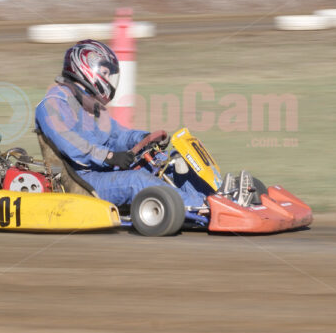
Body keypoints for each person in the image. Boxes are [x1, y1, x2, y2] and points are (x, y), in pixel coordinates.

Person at [34, 39, 212, 208]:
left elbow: (117, 135)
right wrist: (110, 157)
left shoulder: (89, 105)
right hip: (82, 181)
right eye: (105, 73)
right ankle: (199, 205)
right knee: (138, 180)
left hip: (103, 171)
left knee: (168, 161)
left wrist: (144, 138)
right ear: (87, 68)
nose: (108, 79)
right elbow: (73, 146)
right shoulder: (54, 103)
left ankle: (213, 197)